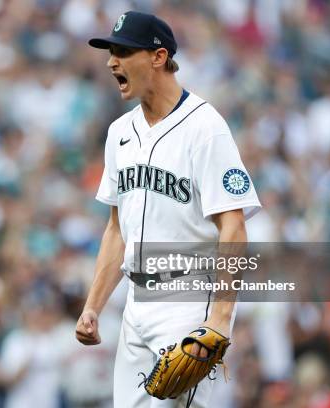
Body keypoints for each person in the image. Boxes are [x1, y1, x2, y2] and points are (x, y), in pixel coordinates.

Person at [75, 11, 262, 408]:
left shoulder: (205, 128)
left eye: (123, 51)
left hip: (188, 302)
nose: (112, 61)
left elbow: (233, 228)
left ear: (158, 57)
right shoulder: (119, 133)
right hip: (136, 306)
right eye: (111, 51)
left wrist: (219, 321)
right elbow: (116, 230)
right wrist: (94, 305)